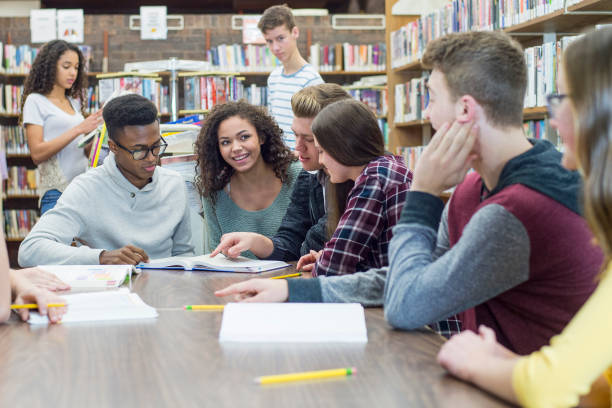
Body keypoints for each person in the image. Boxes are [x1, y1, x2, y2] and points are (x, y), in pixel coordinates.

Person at [216, 31, 601, 349]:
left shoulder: (519, 208)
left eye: (432, 98)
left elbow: (407, 304)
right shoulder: (474, 189)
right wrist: (292, 294)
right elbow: (403, 278)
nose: (428, 114)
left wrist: (424, 193)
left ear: (465, 110)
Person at [436, 27, 612, 407]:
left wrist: (475, 363)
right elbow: (590, 386)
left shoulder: (520, 204)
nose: (553, 117)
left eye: (561, 98)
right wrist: (510, 362)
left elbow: (548, 388)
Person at [215, 99, 412, 297]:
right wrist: (325, 258)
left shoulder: (373, 178)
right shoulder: (387, 168)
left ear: (342, 148)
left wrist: (326, 261)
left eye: (322, 151)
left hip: (403, 301)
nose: (321, 160)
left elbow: (334, 267)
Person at [18, 94, 194, 266]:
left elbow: (184, 254)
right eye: (139, 150)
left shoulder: (174, 183)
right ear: (113, 147)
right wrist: (101, 258)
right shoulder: (86, 188)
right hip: (109, 291)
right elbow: (30, 250)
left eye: (156, 146)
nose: (151, 158)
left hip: (161, 290)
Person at [211, 83, 351, 261]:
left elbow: (311, 245)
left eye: (309, 139)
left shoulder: (364, 178)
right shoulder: (310, 177)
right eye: (295, 135)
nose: (298, 147)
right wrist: (255, 241)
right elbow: (290, 241)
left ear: (338, 137)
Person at [196, 101, 301, 256]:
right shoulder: (213, 189)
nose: (236, 148)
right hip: (239, 280)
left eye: (244, 137)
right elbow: (216, 255)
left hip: (294, 278)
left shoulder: (297, 175)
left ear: (261, 137)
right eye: (226, 142)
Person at [21, 39, 104, 214]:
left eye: (76, 67)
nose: (72, 73)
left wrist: (97, 131)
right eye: (66, 66)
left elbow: (82, 149)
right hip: (56, 193)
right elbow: (37, 154)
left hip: (83, 190)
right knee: (57, 242)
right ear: (50, 67)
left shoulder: (73, 102)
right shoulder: (35, 101)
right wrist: (79, 129)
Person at [258, 4, 324, 150]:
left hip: (302, 162)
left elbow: (317, 133)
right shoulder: (273, 78)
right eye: (269, 41)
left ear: (295, 32)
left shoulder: (311, 80)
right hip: (278, 161)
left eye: (280, 38)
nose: (275, 47)